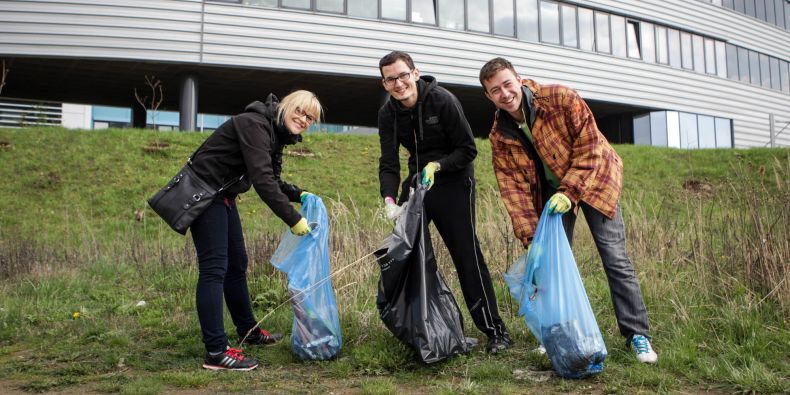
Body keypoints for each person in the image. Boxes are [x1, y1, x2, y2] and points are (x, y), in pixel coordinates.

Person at [478, 57, 658, 364]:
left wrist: (570, 192)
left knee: (614, 258)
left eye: (507, 84)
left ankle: (636, 335)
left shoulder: (560, 98)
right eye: (495, 90)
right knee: (549, 265)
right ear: (488, 96)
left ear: (519, 79)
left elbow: (591, 147)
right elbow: (514, 191)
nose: (504, 93)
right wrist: (530, 238)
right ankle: (559, 335)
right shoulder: (500, 134)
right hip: (553, 191)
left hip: (595, 177)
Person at [377, 51, 511, 353]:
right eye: (390, 79)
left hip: (454, 181)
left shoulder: (443, 100)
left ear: (414, 72)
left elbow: (467, 149)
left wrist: (437, 165)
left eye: (402, 75)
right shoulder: (387, 114)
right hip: (418, 184)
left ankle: (495, 331)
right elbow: (388, 162)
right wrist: (389, 199)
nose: (398, 84)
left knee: (466, 256)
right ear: (384, 84)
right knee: (407, 255)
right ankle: (431, 331)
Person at [187, 90, 322, 371]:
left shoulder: (276, 133)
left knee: (237, 265)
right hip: (204, 194)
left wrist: (300, 194)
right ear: (286, 106)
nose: (303, 119)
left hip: (223, 195)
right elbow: (262, 181)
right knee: (214, 269)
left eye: (310, 117)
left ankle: (247, 330)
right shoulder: (255, 124)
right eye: (299, 111)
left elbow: (272, 177)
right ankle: (215, 351)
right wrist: (293, 219)